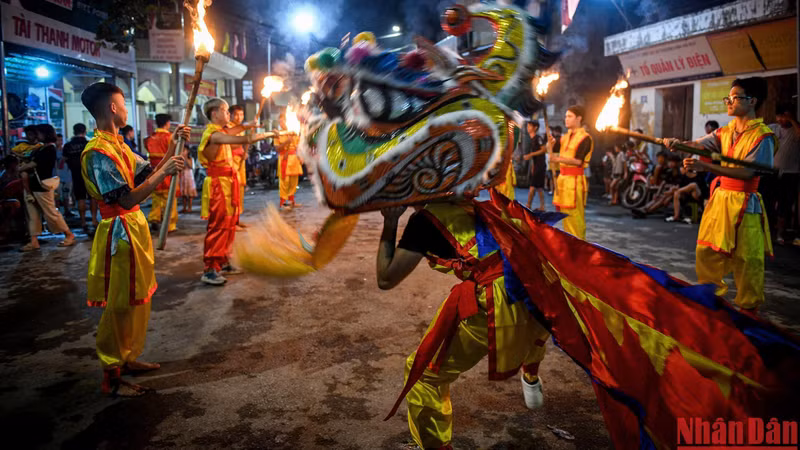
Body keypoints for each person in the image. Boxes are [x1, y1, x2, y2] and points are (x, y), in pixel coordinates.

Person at [377, 202, 551, 450]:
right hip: (538, 289)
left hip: (500, 300)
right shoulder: (481, 204)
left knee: (425, 374)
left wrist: (390, 221)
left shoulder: (425, 223)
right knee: (530, 333)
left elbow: (385, 278)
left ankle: (435, 444)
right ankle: (531, 376)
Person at [80, 82, 187, 396]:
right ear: (112, 107)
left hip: (134, 229)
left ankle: (127, 357)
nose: (127, 107)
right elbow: (126, 200)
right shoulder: (97, 152)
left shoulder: (118, 143)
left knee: (139, 299)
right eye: (124, 101)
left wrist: (174, 146)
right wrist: (165, 171)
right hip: (119, 232)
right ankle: (111, 374)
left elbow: (145, 173)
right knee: (121, 304)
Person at [665, 77, 775, 310]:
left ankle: (749, 315)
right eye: (729, 97)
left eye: (734, 98)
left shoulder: (763, 136)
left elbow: (746, 173)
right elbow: (697, 145)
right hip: (720, 201)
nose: (729, 101)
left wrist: (706, 167)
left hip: (746, 204)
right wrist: (679, 143)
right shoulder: (725, 132)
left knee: (746, 261)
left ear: (752, 101)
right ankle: (711, 305)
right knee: (706, 252)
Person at [199, 98, 269, 285]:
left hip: (229, 182)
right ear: (215, 114)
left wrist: (249, 125)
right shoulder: (213, 134)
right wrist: (269, 134)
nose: (228, 114)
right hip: (218, 185)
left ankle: (222, 260)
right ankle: (210, 268)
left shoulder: (221, 131)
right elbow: (243, 139)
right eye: (225, 110)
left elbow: (236, 130)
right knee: (219, 225)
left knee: (229, 224)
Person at [18, 124, 76, 251]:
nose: (37, 135)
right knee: (32, 214)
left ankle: (69, 234)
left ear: (45, 134)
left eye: (38, 133)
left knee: (50, 212)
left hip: (41, 185)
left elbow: (35, 164)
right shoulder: (42, 148)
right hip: (33, 185)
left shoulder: (49, 149)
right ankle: (34, 241)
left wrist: (22, 168)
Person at [550, 107, 593, 239]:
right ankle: (570, 247)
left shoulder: (585, 138)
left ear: (579, 118)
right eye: (566, 116)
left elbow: (578, 161)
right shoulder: (564, 137)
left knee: (575, 218)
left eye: (569, 116)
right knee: (565, 218)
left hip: (574, 182)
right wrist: (550, 144)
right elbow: (552, 149)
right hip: (563, 181)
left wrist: (557, 159)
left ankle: (580, 247)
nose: (566, 119)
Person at [768, 103, 799, 246]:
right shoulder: (773, 128)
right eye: (779, 116)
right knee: (769, 201)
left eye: (784, 116)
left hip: (790, 173)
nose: (781, 119)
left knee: (784, 204)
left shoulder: (796, 129)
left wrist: (792, 120)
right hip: (773, 171)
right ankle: (767, 233)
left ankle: (780, 234)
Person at [145, 114, 179, 232]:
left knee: (157, 197)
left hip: (154, 171)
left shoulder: (150, 138)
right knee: (169, 198)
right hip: (167, 170)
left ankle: (154, 218)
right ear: (167, 123)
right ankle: (169, 224)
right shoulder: (170, 138)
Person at [63, 123, 98, 232]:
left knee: (80, 198)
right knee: (93, 197)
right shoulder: (89, 144)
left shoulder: (68, 146)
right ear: (84, 131)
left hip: (76, 174)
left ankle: (83, 222)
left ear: (74, 131)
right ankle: (93, 220)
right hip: (90, 174)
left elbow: (64, 160)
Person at [632, 153, 682, 218]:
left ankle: (645, 211)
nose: (671, 163)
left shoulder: (680, 173)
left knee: (662, 198)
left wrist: (668, 189)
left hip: (676, 192)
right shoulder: (669, 171)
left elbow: (679, 186)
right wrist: (658, 193)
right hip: (668, 192)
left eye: (673, 162)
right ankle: (643, 209)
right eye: (670, 161)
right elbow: (663, 183)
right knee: (658, 198)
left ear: (677, 163)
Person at [275, 113, 304, 209]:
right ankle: (283, 202)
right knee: (284, 181)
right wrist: (287, 141)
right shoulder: (277, 134)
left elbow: (299, 146)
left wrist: (301, 157)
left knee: (294, 181)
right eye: (280, 121)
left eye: (283, 121)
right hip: (284, 159)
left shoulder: (294, 132)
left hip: (294, 159)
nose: (281, 123)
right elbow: (277, 148)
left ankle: (291, 201)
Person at [226, 105, 247, 228]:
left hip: (240, 161)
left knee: (240, 191)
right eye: (237, 114)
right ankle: (231, 222)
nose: (239, 117)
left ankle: (237, 219)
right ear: (231, 115)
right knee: (233, 191)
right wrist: (244, 142)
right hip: (232, 161)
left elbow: (240, 145)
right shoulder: (228, 128)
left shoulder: (240, 129)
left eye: (242, 114)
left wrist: (244, 152)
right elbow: (229, 145)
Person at [522, 120, 547, 210]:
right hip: (536, 165)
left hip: (540, 165)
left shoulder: (538, 138)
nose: (528, 128)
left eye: (530, 126)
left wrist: (530, 155)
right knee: (539, 187)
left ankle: (528, 205)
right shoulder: (532, 139)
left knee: (533, 186)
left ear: (535, 128)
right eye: (527, 126)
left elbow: (544, 149)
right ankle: (542, 206)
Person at [179, 144, 197, 213]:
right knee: (184, 193)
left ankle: (190, 207)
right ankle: (184, 207)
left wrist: (185, 158)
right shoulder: (181, 159)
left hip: (189, 176)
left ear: (188, 151)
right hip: (183, 176)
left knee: (190, 194)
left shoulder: (190, 159)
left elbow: (191, 166)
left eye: (184, 150)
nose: (183, 152)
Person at [546, 125, 562, 194]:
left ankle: (552, 190)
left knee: (553, 175)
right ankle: (555, 190)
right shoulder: (562, 138)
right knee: (556, 175)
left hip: (554, 156)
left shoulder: (554, 139)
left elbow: (548, 148)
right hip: (559, 156)